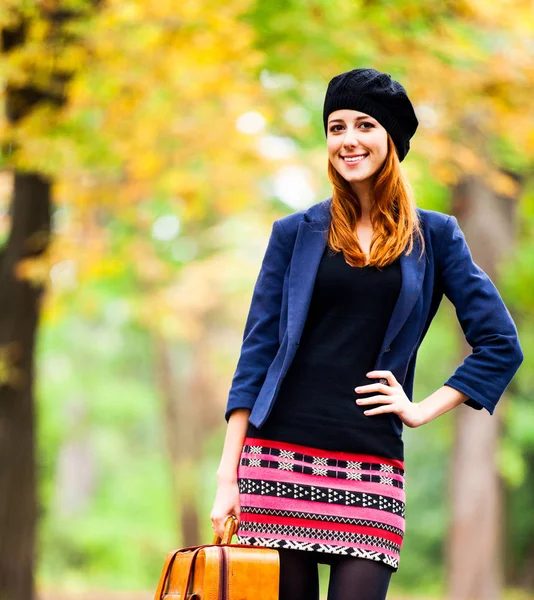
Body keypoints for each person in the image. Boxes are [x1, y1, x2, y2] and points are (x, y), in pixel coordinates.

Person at [210, 68, 523, 600]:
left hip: (370, 467)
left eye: (364, 125)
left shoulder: (436, 237)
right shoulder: (294, 234)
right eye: (336, 127)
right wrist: (227, 476)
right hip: (276, 459)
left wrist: (422, 407)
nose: (348, 140)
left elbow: (499, 343)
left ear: (392, 140)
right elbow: (256, 355)